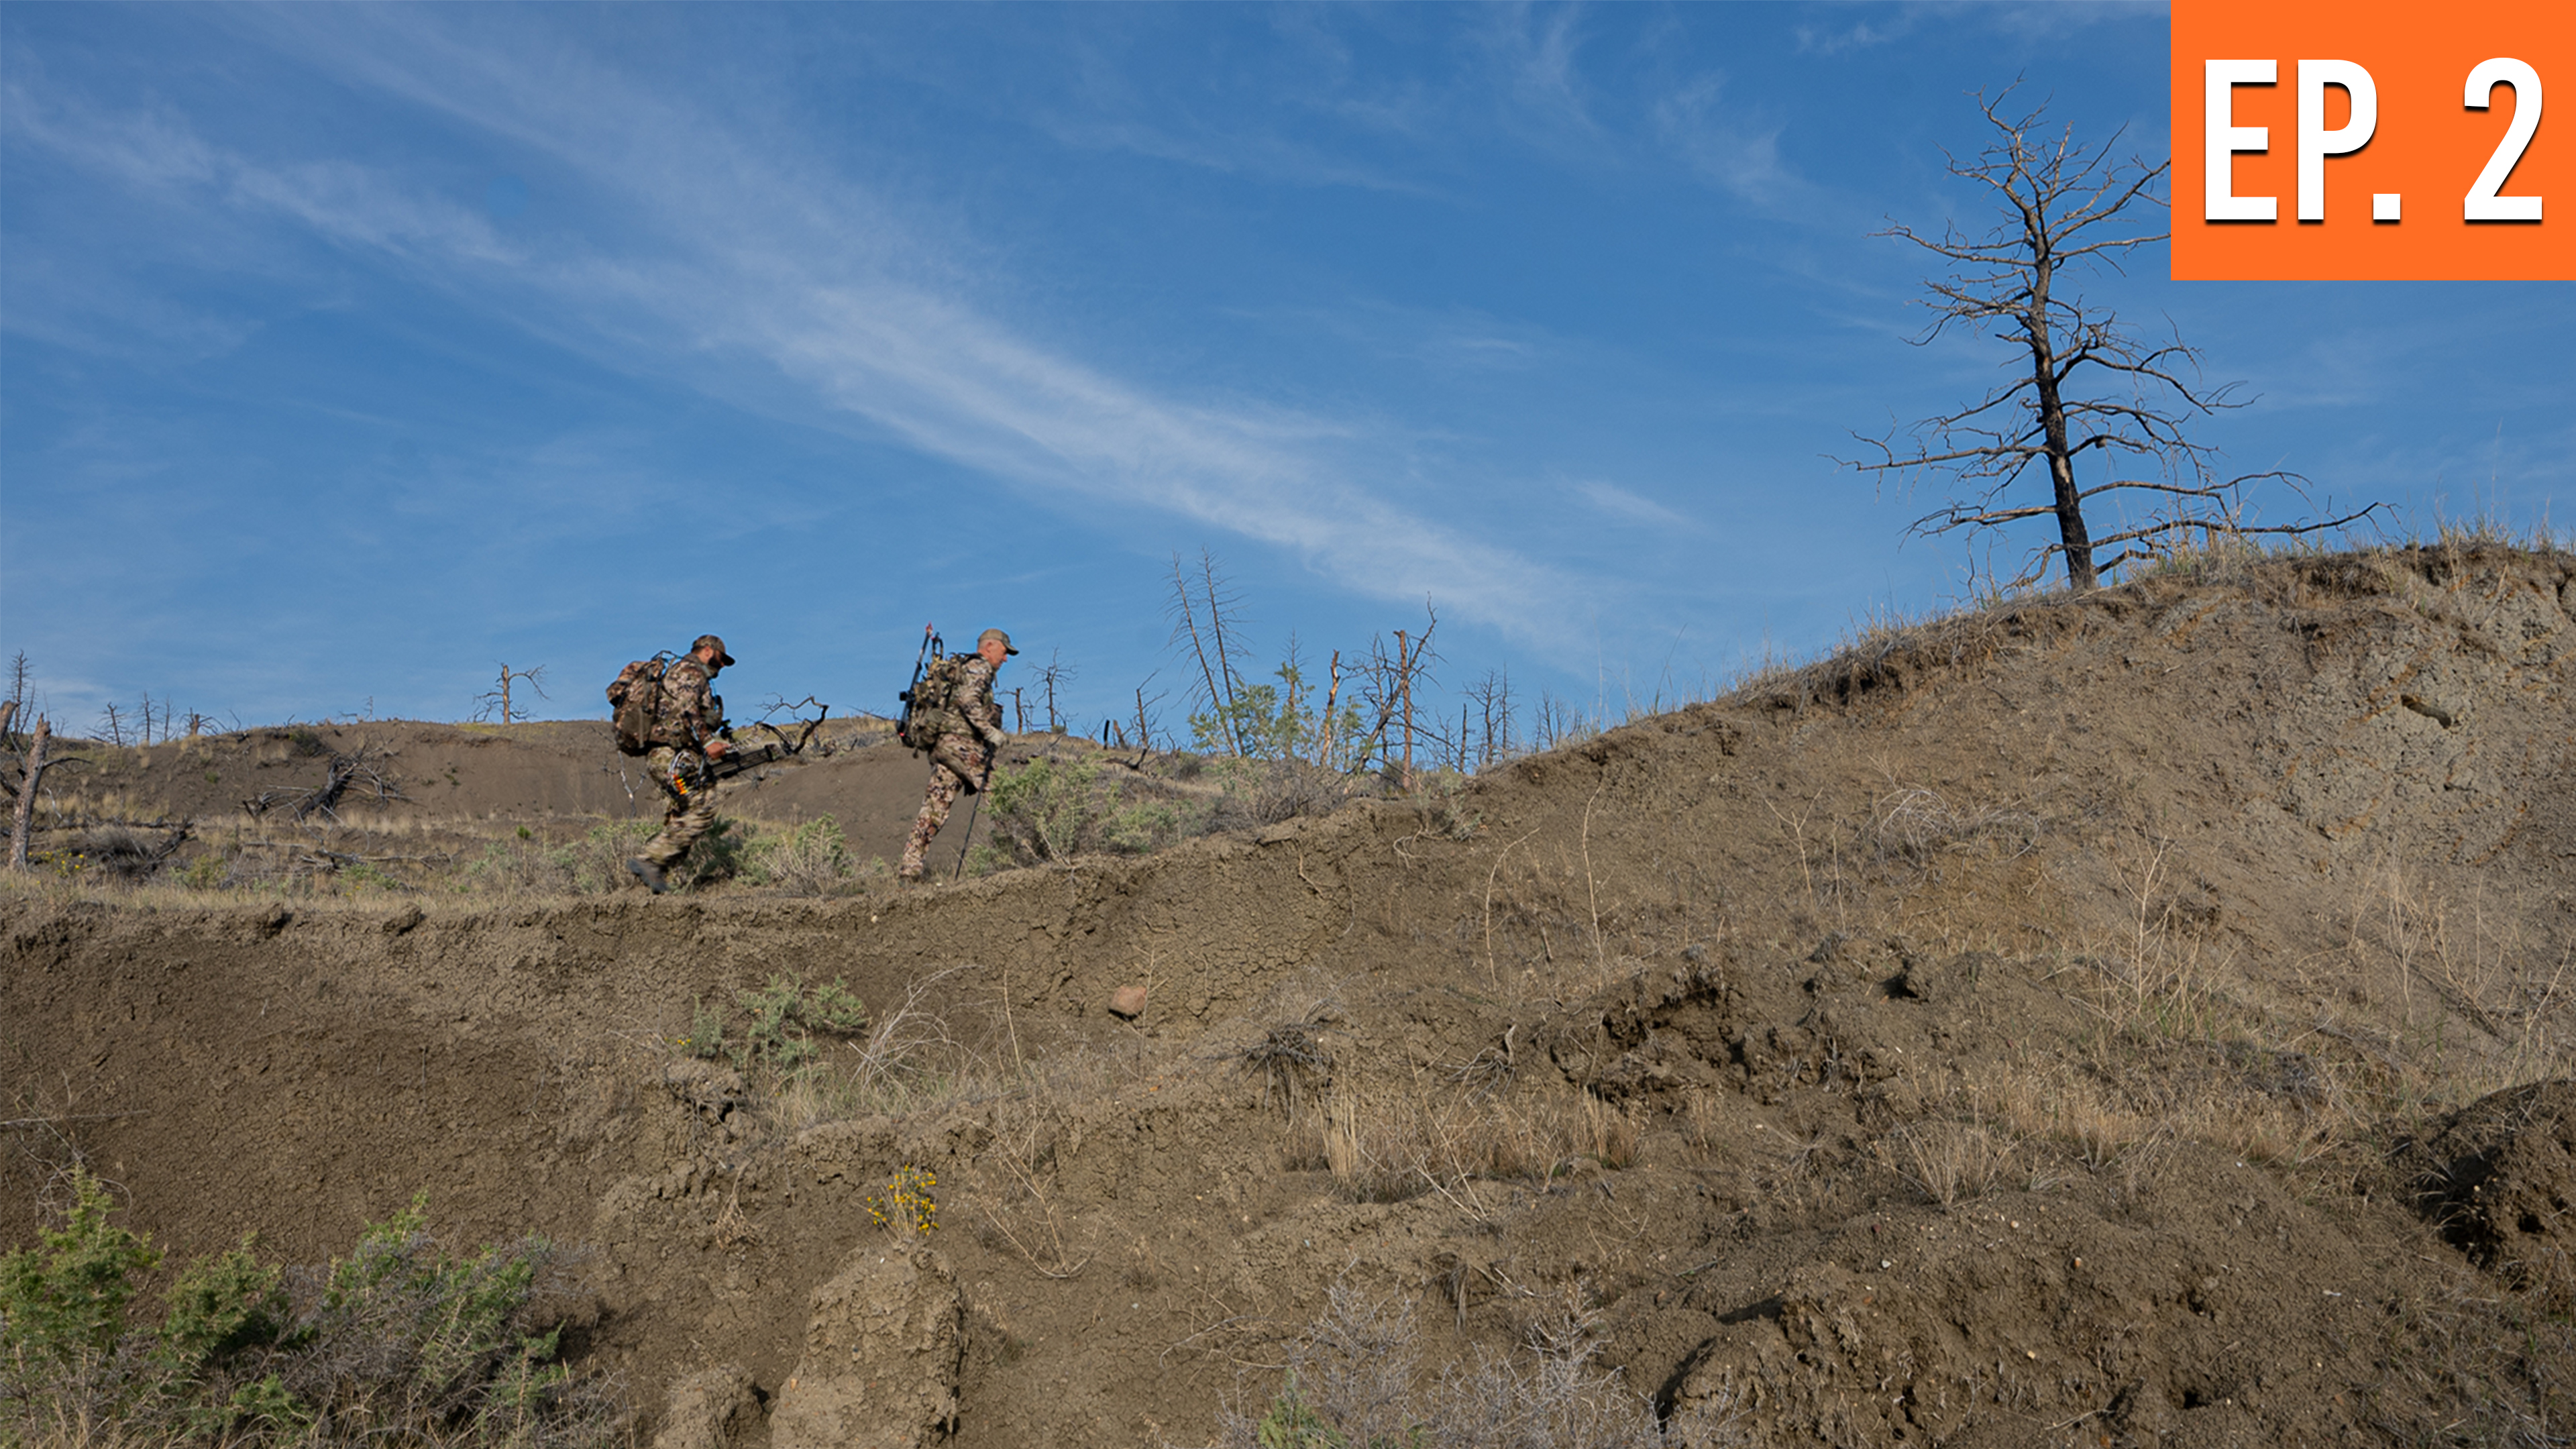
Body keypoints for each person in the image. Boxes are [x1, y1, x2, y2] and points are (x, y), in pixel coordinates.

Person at [900, 627, 1015, 881]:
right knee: (1002, 792)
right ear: (989, 647)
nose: (1005, 659)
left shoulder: (962, 667)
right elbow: (967, 700)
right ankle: (1015, 857)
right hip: (962, 746)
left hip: (942, 747)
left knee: (933, 808)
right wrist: (989, 732)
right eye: (1004, 652)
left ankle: (909, 870)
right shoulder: (980, 666)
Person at [627, 634, 736, 894]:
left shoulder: (685, 675)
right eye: (721, 660)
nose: (721, 666)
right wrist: (709, 743)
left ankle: (657, 878)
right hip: (672, 760)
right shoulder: (690, 672)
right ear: (708, 651)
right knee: (703, 808)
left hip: (672, 761)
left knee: (684, 809)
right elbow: (688, 709)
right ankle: (650, 860)